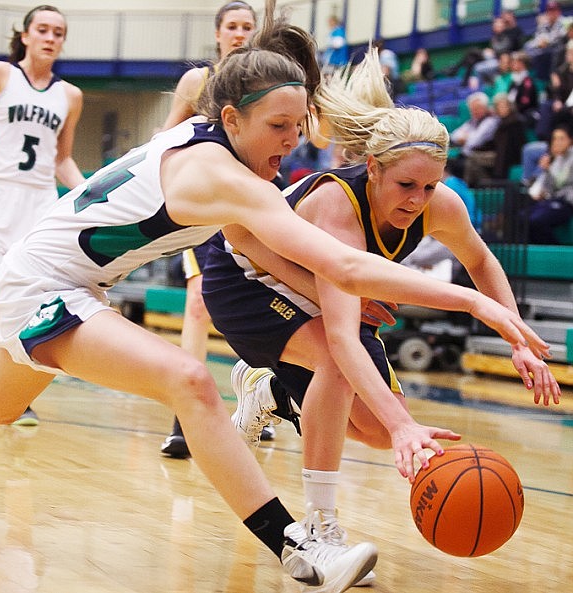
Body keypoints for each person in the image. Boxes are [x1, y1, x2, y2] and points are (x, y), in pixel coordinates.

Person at [0, 5, 550, 591]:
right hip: (45, 283)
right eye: (277, 129)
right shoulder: (221, 176)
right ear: (231, 118)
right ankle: (298, 548)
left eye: (296, 130)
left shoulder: (222, 152)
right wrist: (479, 306)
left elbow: (283, 255)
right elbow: (345, 266)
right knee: (189, 378)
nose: (290, 144)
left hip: (64, 276)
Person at [201, 48, 560, 584]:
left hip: (324, 284)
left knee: (370, 428)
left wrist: (516, 339)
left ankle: (273, 394)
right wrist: (406, 429)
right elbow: (344, 339)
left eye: (430, 186)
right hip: (247, 276)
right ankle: (320, 526)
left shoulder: (439, 206)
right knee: (336, 361)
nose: (418, 200)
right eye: (406, 186)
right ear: (372, 168)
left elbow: (481, 260)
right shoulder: (337, 209)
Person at [0, 5, 86, 427]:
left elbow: (61, 158)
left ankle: (12, 388)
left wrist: (86, 192)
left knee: (27, 300)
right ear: (25, 35)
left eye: (58, 32)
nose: (50, 37)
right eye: (42, 29)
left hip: (39, 201)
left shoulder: (70, 96)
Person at [156, 1, 263, 459]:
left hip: (252, 204)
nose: (239, 33)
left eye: (247, 26)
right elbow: (163, 139)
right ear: (218, 33)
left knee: (259, 301)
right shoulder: (197, 81)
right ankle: (184, 416)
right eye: (231, 26)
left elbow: (312, 137)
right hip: (205, 208)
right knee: (198, 305)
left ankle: (259, 403)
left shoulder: (268, 83)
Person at [526, 123, 573, 244]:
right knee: (522, 217)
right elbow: (550, 189)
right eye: (555, 139)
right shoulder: (556, 159)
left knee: (536, 220)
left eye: (561, 138)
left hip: (567, 203)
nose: (557, 142)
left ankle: (556, 251)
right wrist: (546, 169)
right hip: (553, 201)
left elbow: (565, 186)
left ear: (570, 141)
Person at [449, 91, 500, 186]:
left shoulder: (490, 121)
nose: (474, 112)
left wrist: (465, 138)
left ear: (484, 107)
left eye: (477, 108)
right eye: (472, 109)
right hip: (467, 155)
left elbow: (475, 141)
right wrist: (465, 137)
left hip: (485, 156)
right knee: (449, 161)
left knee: (460, 164)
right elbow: (454, 135)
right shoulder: (472, 121)